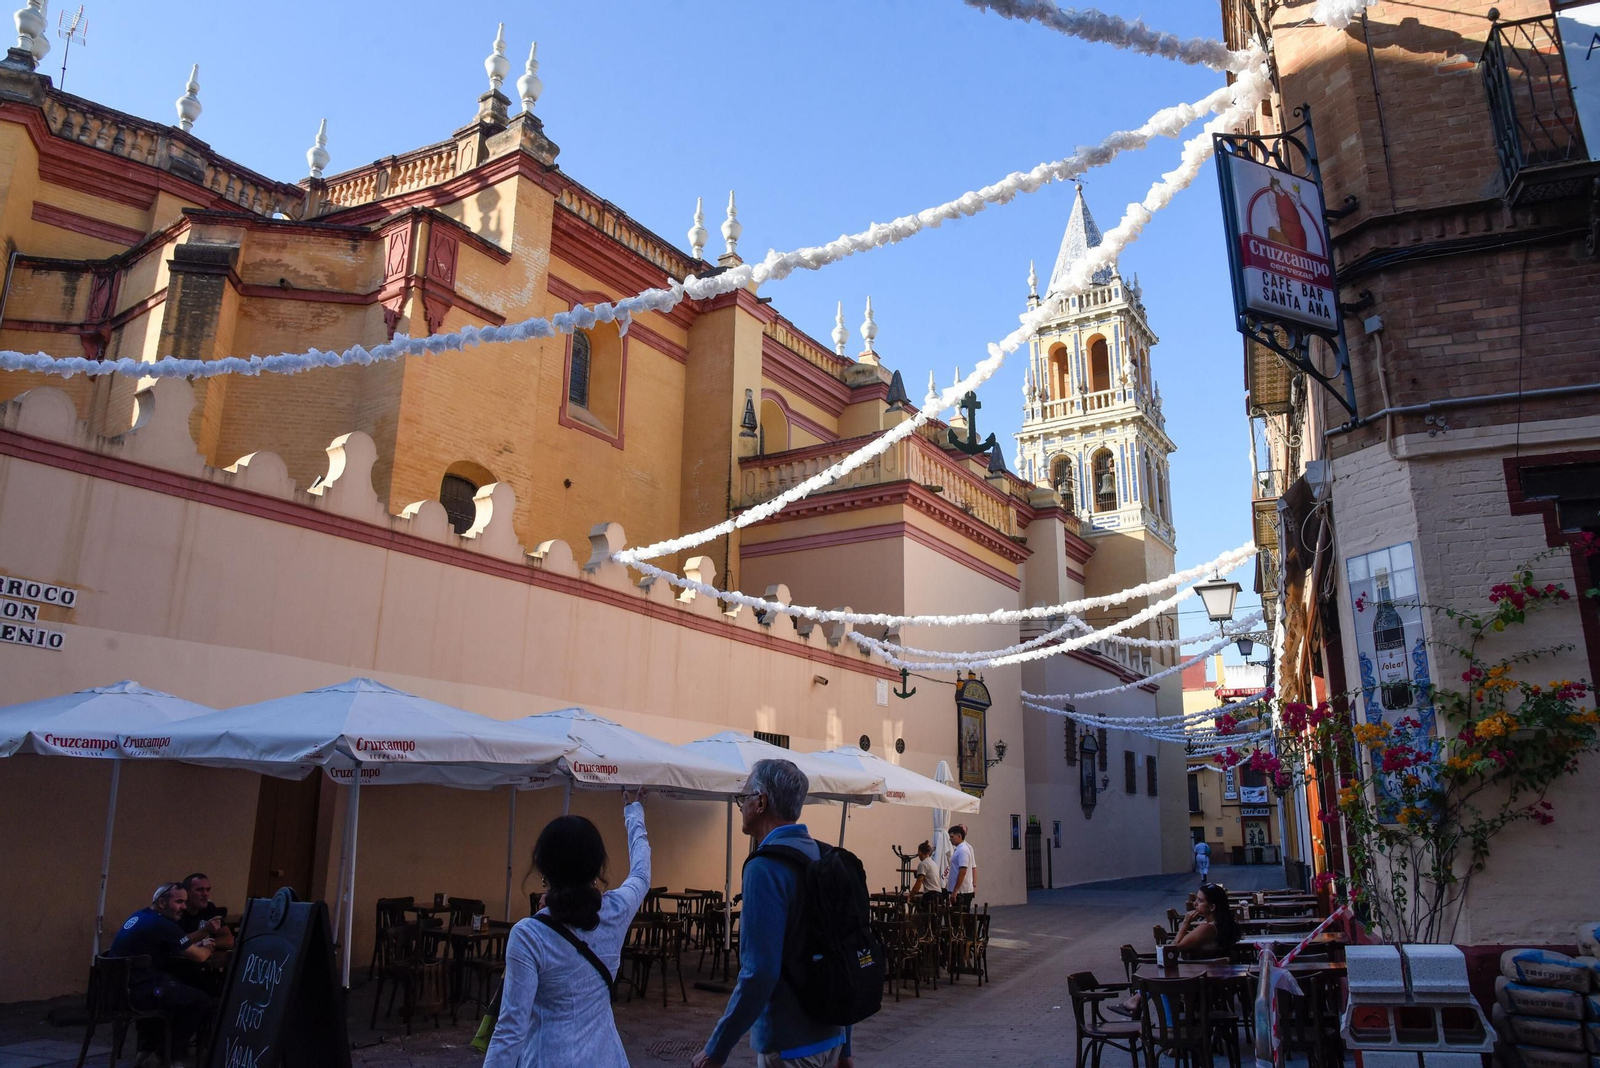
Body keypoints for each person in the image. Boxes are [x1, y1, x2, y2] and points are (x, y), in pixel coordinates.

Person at [694, 759, 854, 1068]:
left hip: (789, 1043)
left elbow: (759, 973)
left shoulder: (763, 867)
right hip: (832, 1036)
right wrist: (846, 1046)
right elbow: (841, 954)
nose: (742, 805)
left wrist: (716, 1050)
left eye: (744, 797)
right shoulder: (824, 855)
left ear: (761, 802)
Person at [485, 791, 650, 1068]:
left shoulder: (528, 936)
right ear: (598, 866)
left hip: (549, 1058)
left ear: (542, 869)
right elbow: (642, 872)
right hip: (607, 1058)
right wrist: (633, 810)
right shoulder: (616, 911)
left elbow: (511, 1030)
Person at [108, 882, 216, 1065]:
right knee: (200, 1001)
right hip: (137, 993)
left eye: (184, 902)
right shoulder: (164, 924)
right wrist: (209, 948)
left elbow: (168, 946)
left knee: (174, 989)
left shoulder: (141, 915)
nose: (183, 907)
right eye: (179, 902)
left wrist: (191, 947)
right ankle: (167, 1055)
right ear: (162, 903)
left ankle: (146, 1052)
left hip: (117, 990)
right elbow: (199, 957)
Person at [1109, 883, 1241, 1018]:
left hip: (1199, 985)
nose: (1195, 904)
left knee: (1162, 984)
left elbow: (1172, 948)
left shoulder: (1207, 929)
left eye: (1200, 901)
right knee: (1161, 977)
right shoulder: (1226, 925)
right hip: (1215, 983)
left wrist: (1185, 923)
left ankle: (1170, 1027)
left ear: (1212, 907)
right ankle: (1135, 1000)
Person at [945, 825, 977, 911]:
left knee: (959, 918)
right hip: (959, 891)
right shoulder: (958, 849)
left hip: (962, 892)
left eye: (952, 837)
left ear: (959, 836)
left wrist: (955, 891)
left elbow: (963, 871)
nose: (950, 839)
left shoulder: (963, 850)